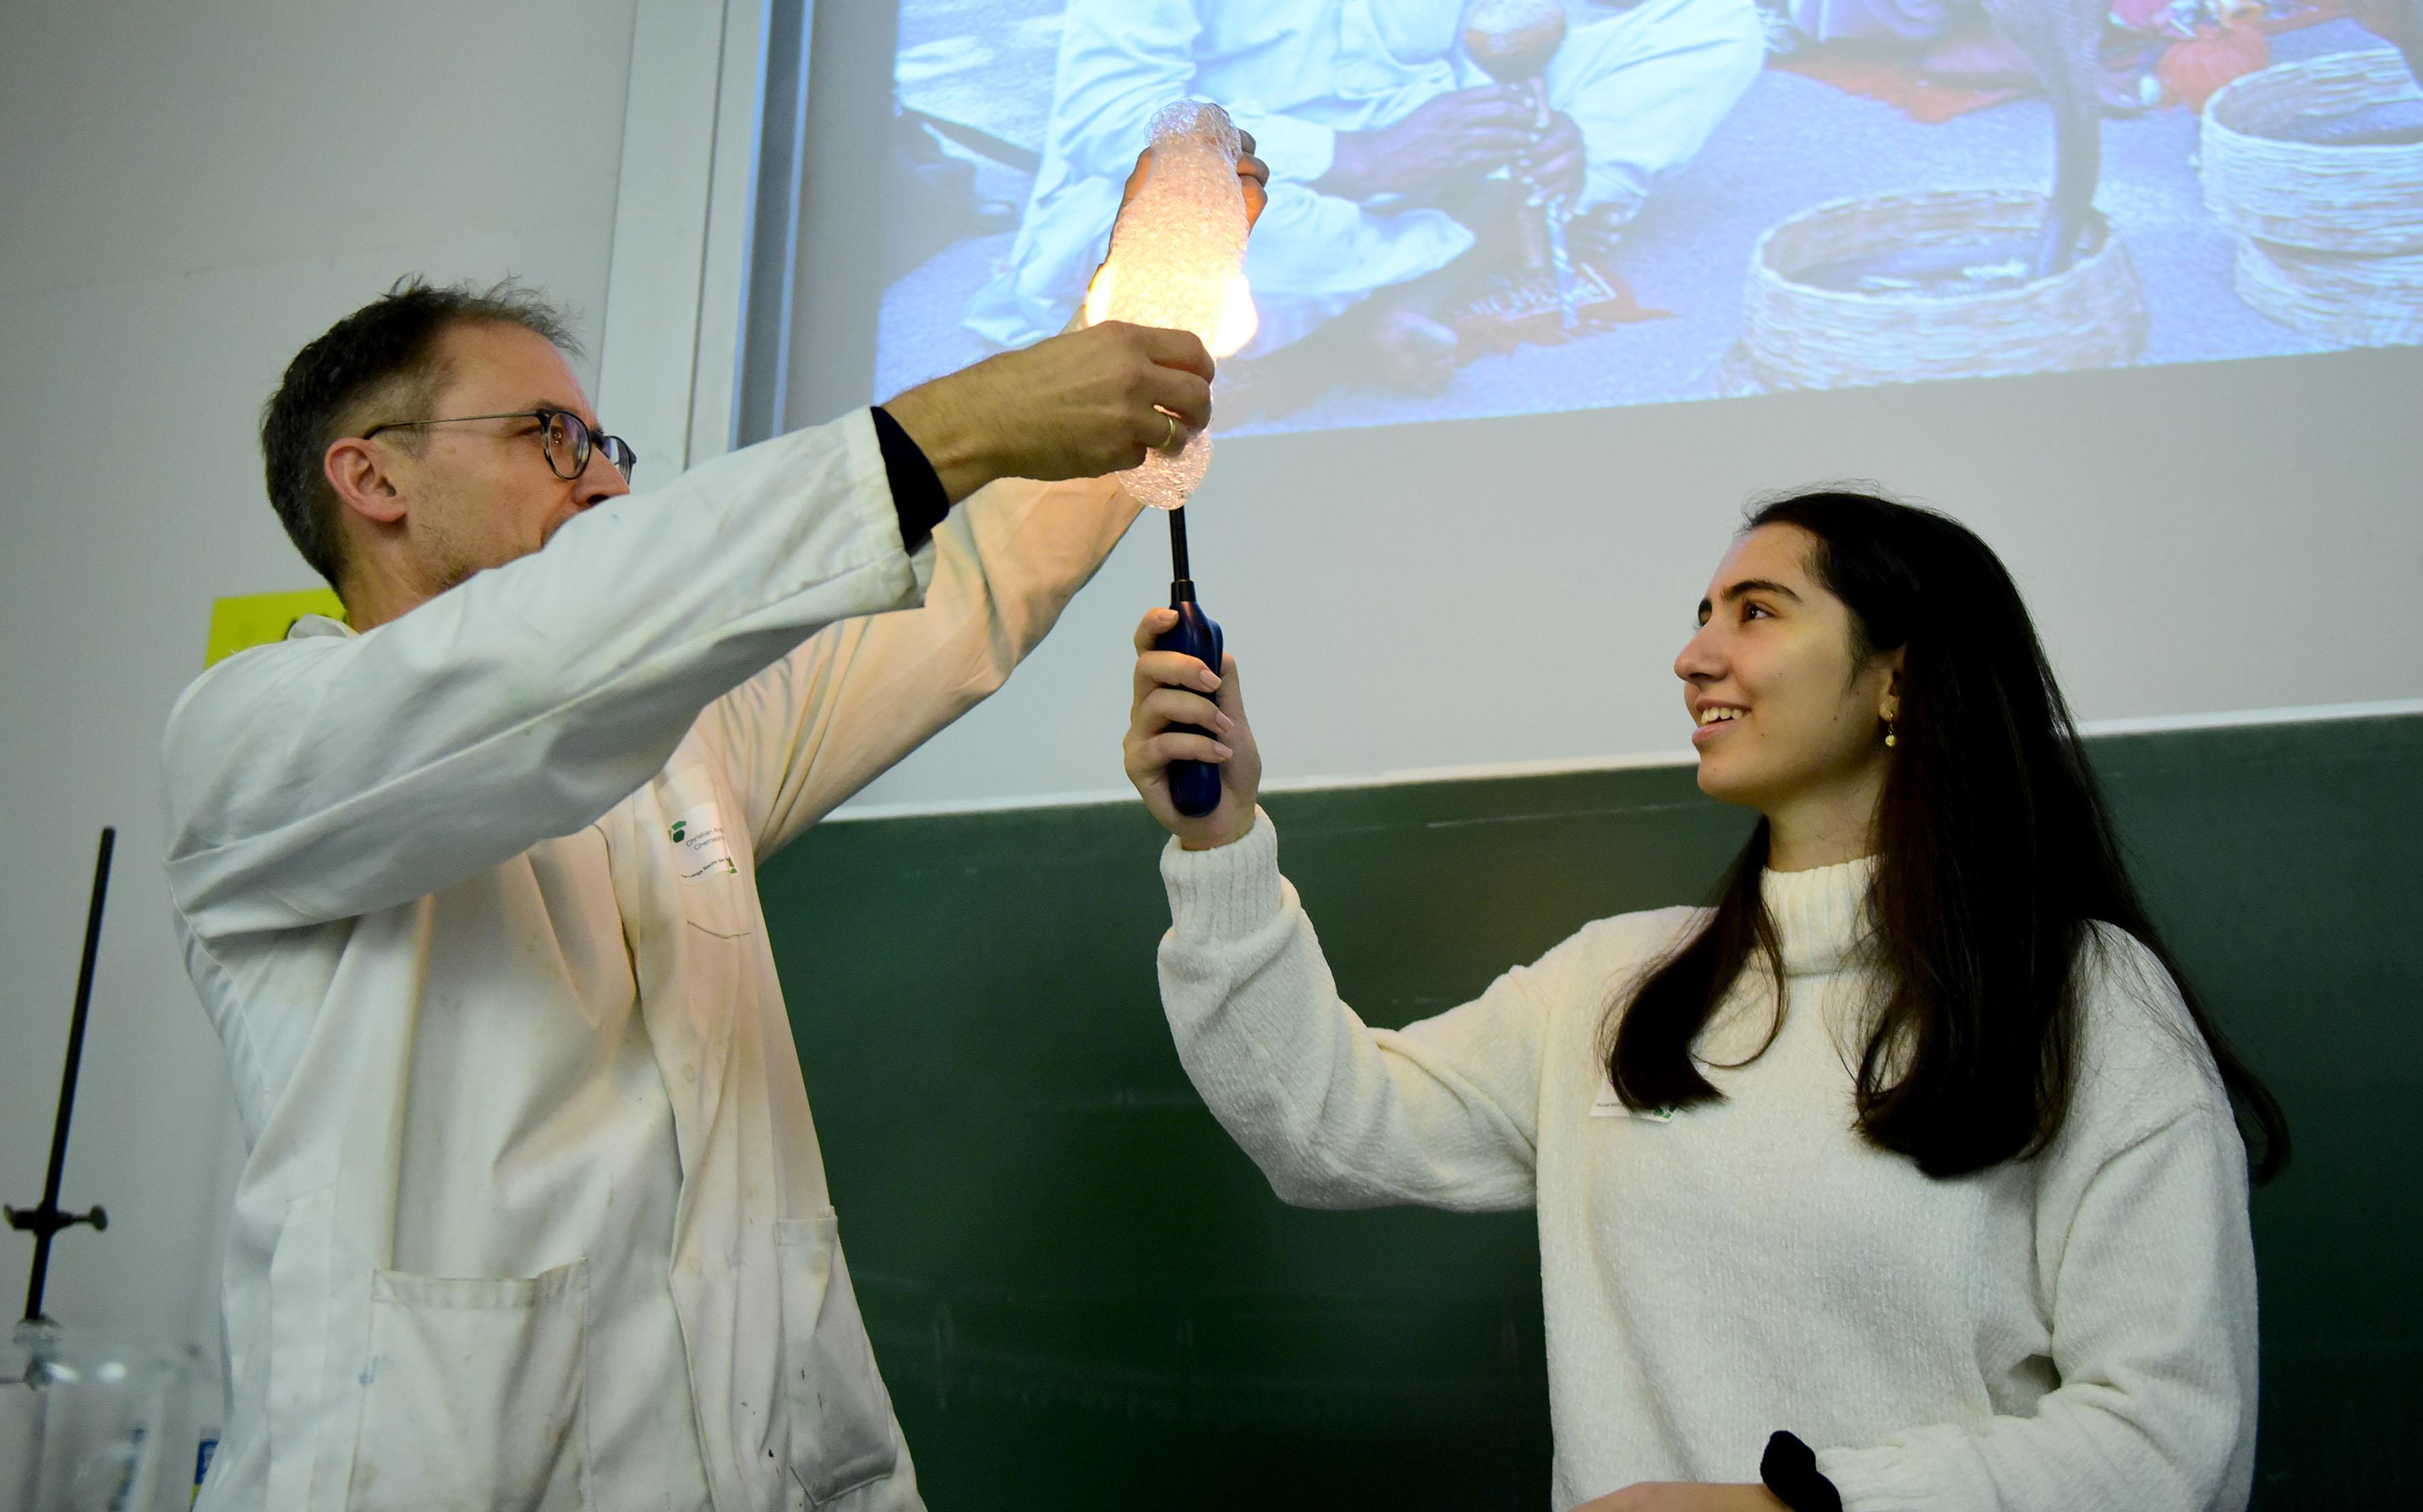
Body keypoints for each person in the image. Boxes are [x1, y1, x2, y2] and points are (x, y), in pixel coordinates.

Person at [163, 142, 1264, 1512]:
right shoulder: (253, 746)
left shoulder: (680, 756)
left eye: (603, 445)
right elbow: (542, 659)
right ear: (372, 478)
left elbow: (953, 594)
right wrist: (959, 422)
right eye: (548, 437)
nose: (606, 483)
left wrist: (1137, 345)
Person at [1122, 490, 2285, 1510]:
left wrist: (1803, 1508)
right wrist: (1218, 838)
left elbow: (2169, 1443)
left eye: (1757, 611)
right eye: (1700, 614)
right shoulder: (1611, 988)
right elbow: (1323, 1124)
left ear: (1898, 676)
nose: (1693, 656)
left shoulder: (2082, 999)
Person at [968, 0, 1766, 391]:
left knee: (1714, 24)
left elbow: (1501, 33)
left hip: (1434, 150)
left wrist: (1551, 125)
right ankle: (1452, 260)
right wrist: (1362, 158)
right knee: (1176, 229)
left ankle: (1394, 292)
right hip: (1269, 187)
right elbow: (1112, 120)